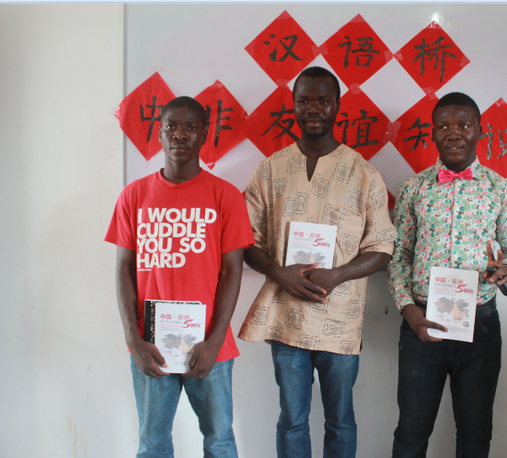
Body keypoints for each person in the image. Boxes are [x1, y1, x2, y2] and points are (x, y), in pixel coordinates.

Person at [238, 66, 395, 458]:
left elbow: (382, 247)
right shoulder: (270, 169)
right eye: (304, 100)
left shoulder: (364, 174)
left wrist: (338, 274)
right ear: (293, 105)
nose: (313, 108)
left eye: (323, 100)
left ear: (337, 106)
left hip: (340, 319)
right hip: (286, 318)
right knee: (292, 420)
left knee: (340, 421)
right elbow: (244, 240)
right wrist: (278, 273)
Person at [105, 96, 254, 458]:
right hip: (150, 346)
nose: (180, 135)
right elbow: (123, 268)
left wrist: (215, 341)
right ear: (159, 133)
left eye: (190, 127)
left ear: (204, 134)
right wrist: (133, 338)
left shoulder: (225, 196)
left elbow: (233, 270)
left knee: (219, 441)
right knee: (152, 443)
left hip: (209, 345)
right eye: (171, 126)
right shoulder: (134, 195)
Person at [387, 92, 507, 457]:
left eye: (464, 125)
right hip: (421, 324)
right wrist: (407, 308)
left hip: (480, 327)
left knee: (475, 433)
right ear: (433, 133)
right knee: (410, 433)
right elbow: (398, 255)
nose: (453, 133)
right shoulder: (413, 189)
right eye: (444, 126)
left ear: (479, 131)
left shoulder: (500, 189)